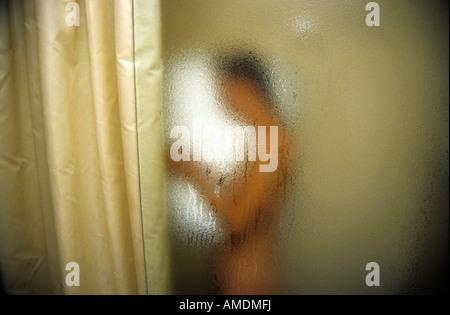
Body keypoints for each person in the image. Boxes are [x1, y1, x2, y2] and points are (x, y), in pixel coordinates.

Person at [169, 52, 289, 294]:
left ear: (244, 85)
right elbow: (239, 196)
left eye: (223, 89)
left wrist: (194, 175)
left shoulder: (271, 140)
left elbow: (238, 221)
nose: (221, 99)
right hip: (241, 274)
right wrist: (195, 166)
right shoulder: (264, 136)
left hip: (247, 278)